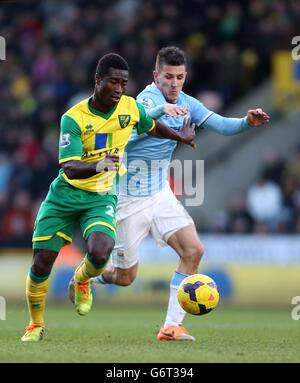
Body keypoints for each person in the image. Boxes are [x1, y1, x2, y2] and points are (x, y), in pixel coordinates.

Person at [91, 47, 270, 341]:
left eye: (179, 77)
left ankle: (171, 327)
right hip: (128, 198)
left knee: (193, 250)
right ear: (155, 76)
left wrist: (245, 123)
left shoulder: (188, 103)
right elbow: (136, 126)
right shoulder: (146, 100)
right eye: (168, 77)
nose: (174, 83)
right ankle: (90, 276)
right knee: (125, 278)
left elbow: (221, 125)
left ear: (185, 77)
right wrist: (162, 112)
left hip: (160, 193)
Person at [21, 52, 196, 342]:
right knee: (41, 263)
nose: (118, 89)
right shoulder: (73, 118)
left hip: (101, 196)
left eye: (123, 83)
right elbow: (69, 167)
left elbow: (151, 126)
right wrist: (100, 164)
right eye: (113, 82)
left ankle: (81, 279)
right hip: (64, 196)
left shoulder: (130, 107)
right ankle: (35, 325)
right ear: (98, 79)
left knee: (101, 252)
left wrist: (181, 138)